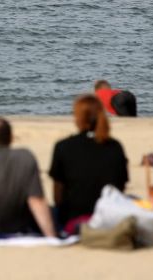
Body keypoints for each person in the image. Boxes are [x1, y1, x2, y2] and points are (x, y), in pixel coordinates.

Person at [49, 95, 129, 234]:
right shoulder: (115, 147)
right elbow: (120, 188)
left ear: (78, 118)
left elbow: (58, 197)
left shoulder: (63, 147)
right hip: (108, 219)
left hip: (74, 221)